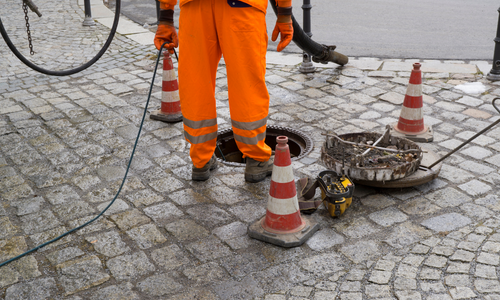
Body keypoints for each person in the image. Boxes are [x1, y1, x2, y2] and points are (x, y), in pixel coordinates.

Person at [154, 0, 293, 182]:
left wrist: (166, 16)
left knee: (196, 81)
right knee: (247, 82)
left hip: (196, 7)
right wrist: (284, 12)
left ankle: (201, 159)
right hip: (242, 7)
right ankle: (256, 158)